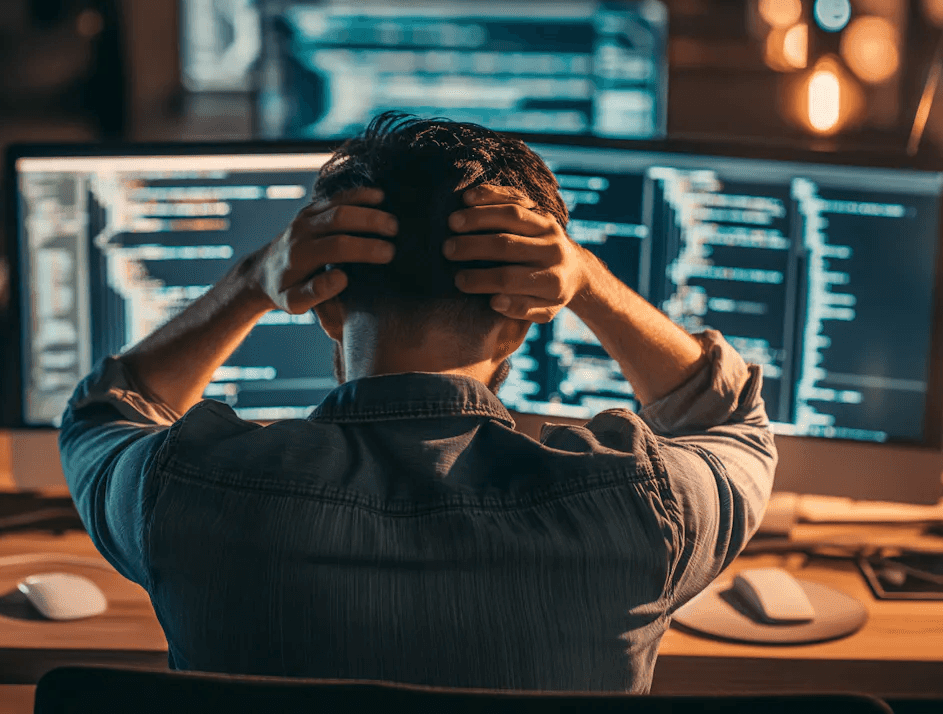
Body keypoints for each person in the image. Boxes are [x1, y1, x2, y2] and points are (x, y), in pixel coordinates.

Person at [59, 114, 776, 692]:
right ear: (528, 314)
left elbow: (103, 414)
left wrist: (250, 281)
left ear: (326, 308)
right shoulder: (648, 506)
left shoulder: (181, 492)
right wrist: (588, 280)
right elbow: (729, 422)